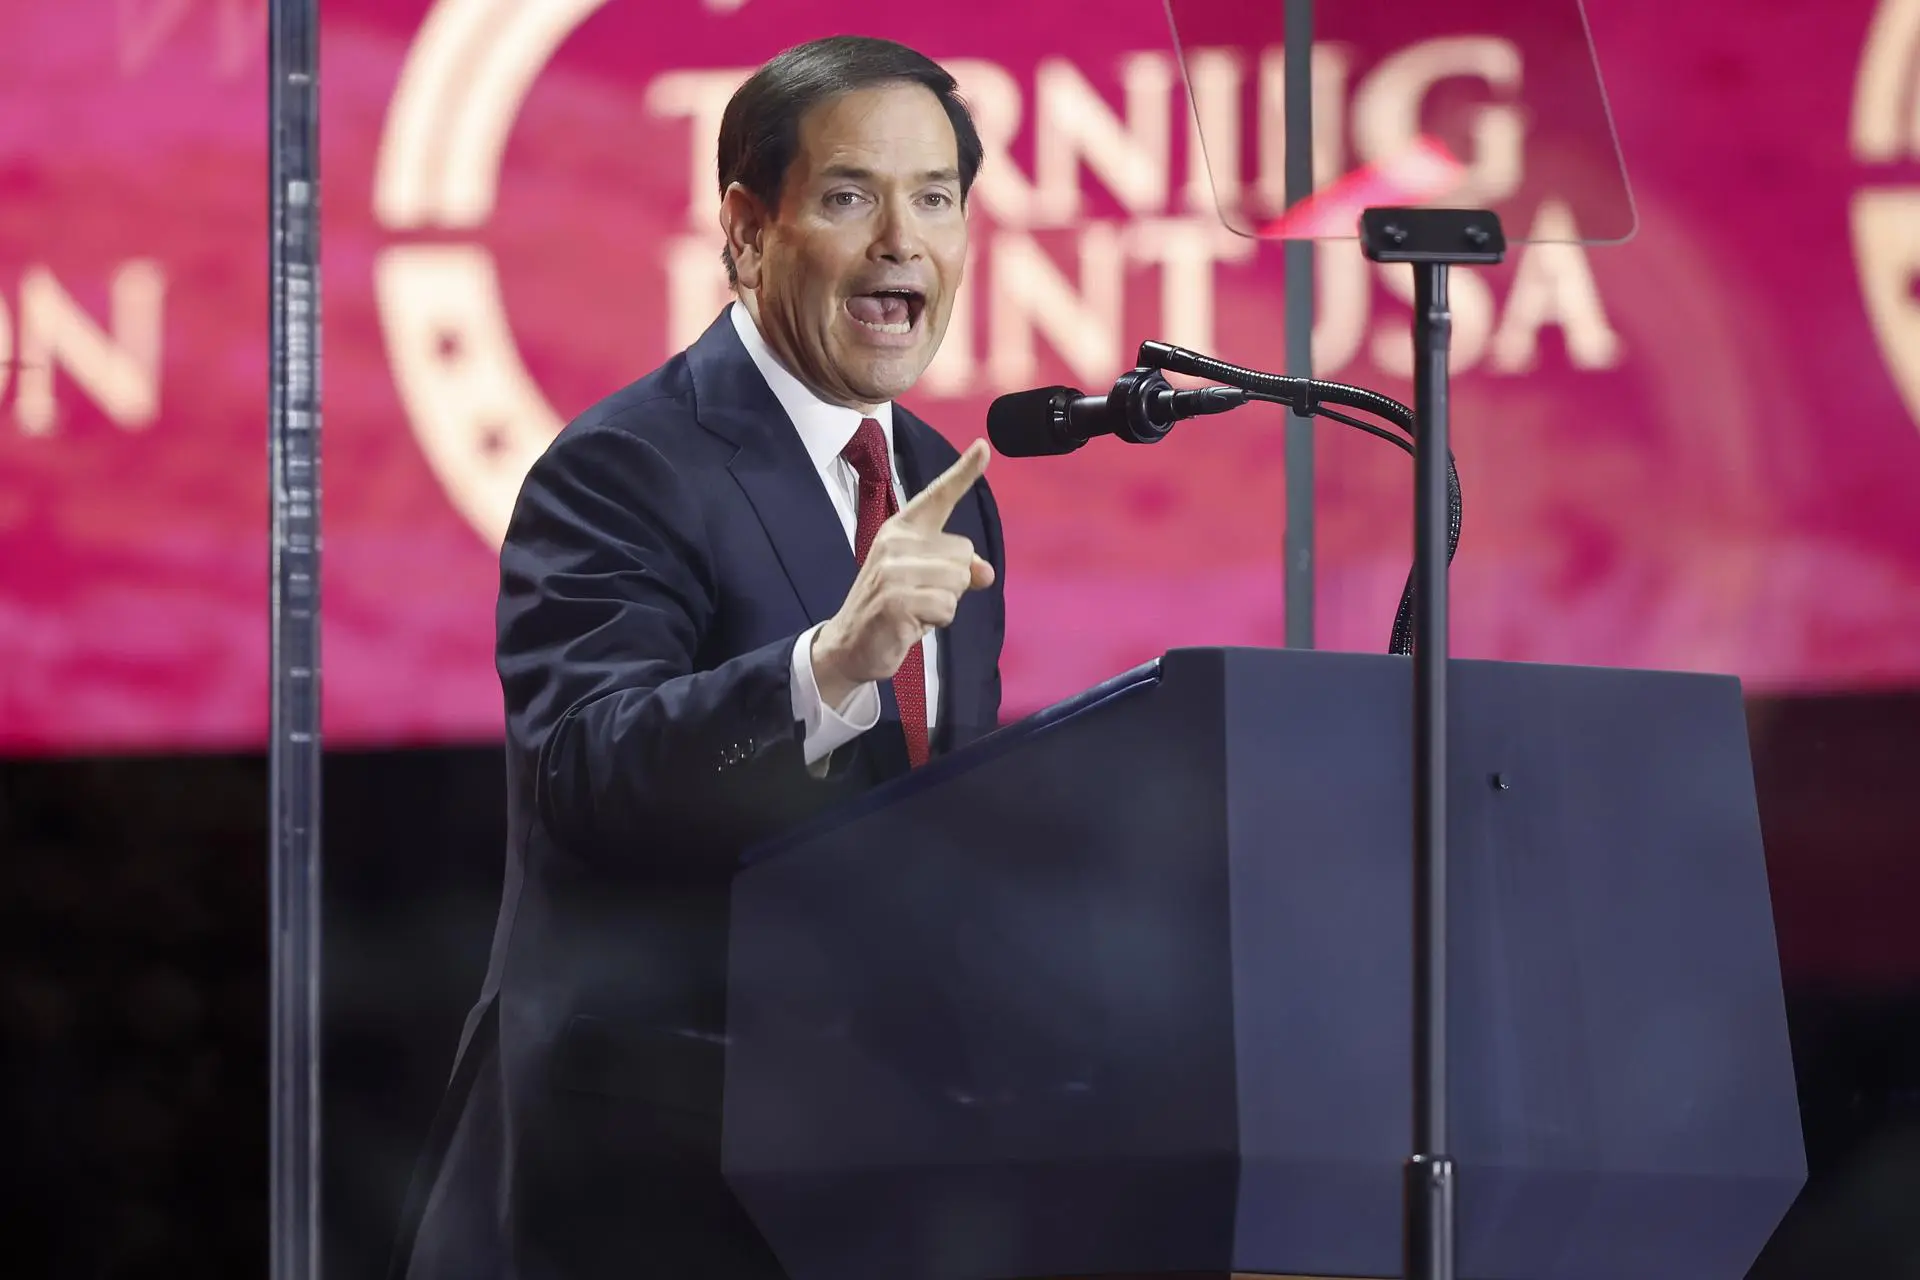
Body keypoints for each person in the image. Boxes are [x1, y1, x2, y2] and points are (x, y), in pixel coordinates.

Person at [390, 35, 1005, 1280]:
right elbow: (586, 770)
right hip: (640, 1181)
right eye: (850, 196)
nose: (903, 241)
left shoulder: (951, 490)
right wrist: (828, 665)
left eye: (936, 198)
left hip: (869, 1175)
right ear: (747, 230)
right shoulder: (625, 465)